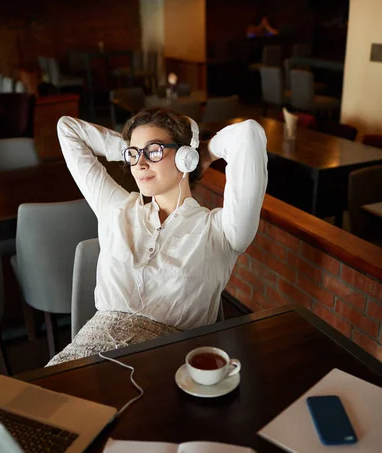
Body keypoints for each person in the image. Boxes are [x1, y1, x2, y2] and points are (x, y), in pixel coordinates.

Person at [47, 108, 268, 366]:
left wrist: (202, 153)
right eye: (133, 155)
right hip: (85, 357)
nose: (140, 165)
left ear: (184, 157)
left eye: (154, 151)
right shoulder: (117, 208)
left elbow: (248, 133)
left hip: (167, 366)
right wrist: (133, 148)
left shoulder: (220, 231)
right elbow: (68, 129)